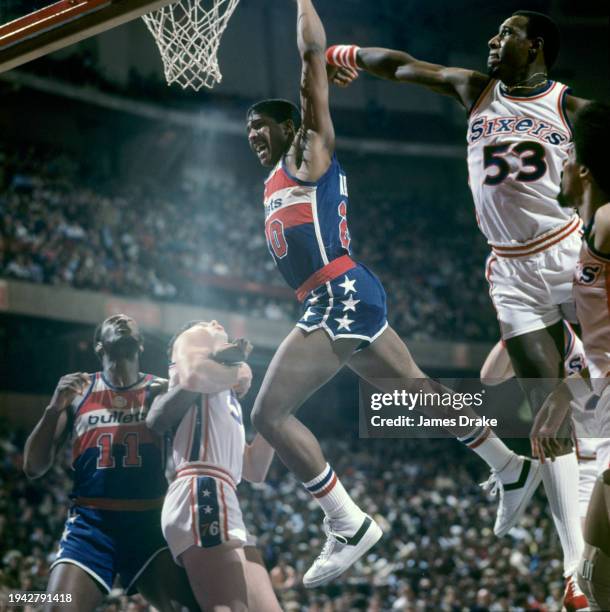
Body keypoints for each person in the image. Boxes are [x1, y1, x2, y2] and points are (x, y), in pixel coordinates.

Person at [246, 0, 539, 589]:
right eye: (248, 128)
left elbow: (310, 60)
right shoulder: (273, 179)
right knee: (422, 398)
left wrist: (302, 6)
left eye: (262, 126)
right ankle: (508, 466)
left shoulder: (308, 152)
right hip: (343, 295)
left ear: (288, 127)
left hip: (339, 293)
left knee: (269, 413)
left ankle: (347, 523)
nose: (254, 135)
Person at [325, 11, 590, 606]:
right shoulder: (477, 91)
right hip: (510, 271)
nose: (493, 42)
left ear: (537, 46)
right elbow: (399, 66)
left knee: (589, 385)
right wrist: (339, 54)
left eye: (506, 35)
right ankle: (575, 569)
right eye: (492, 34)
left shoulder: (573, 108)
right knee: (545, 413)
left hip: (569, 252)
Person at [22, 314, 197, 612]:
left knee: (192, 607)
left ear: (140, 345)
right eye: (113, 320)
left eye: (129, 320)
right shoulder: (78, 391)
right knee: (54, 607)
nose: (122, 320)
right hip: (91, 526)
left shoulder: (162, 390)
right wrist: (53, 409)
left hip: (150, 522)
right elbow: (33, 467)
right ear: (99, 346)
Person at [530, 101, 610, 611]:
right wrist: (567, 390)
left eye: (562, 157)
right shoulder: (589, 235)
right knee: (594, 570)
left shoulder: (607, 217)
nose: (554, 168)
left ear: (582, 168)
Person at [146, 320, 281, 611]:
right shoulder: (194, 347)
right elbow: (193, 375)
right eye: (208, 323)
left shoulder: (222, 392)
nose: (216, 323)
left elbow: (253, 469)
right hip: (202, 486)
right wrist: (237, 370)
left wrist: (276, 416)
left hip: (221, 490)